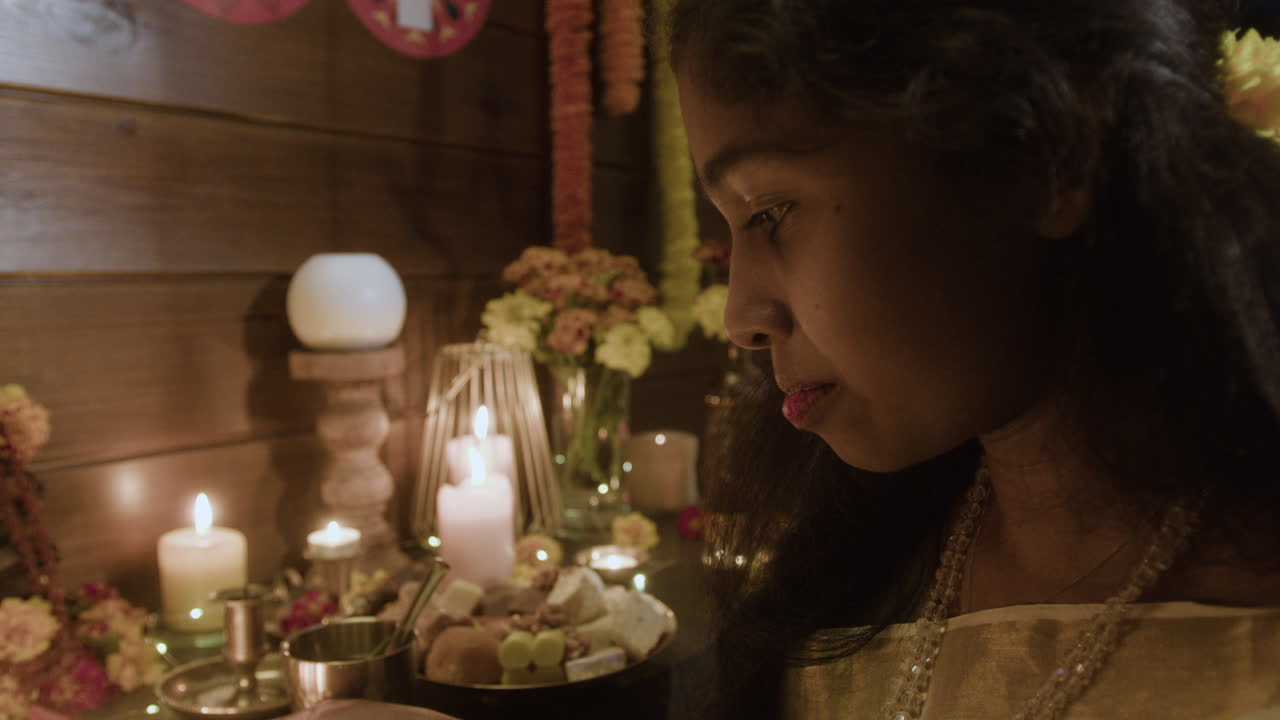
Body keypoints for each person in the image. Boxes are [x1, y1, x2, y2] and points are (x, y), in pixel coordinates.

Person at [667, 0, 1280, 718]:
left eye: (770, 212)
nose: (742, 318)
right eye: (729, 228)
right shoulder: (853, 575)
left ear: (1051, 154)